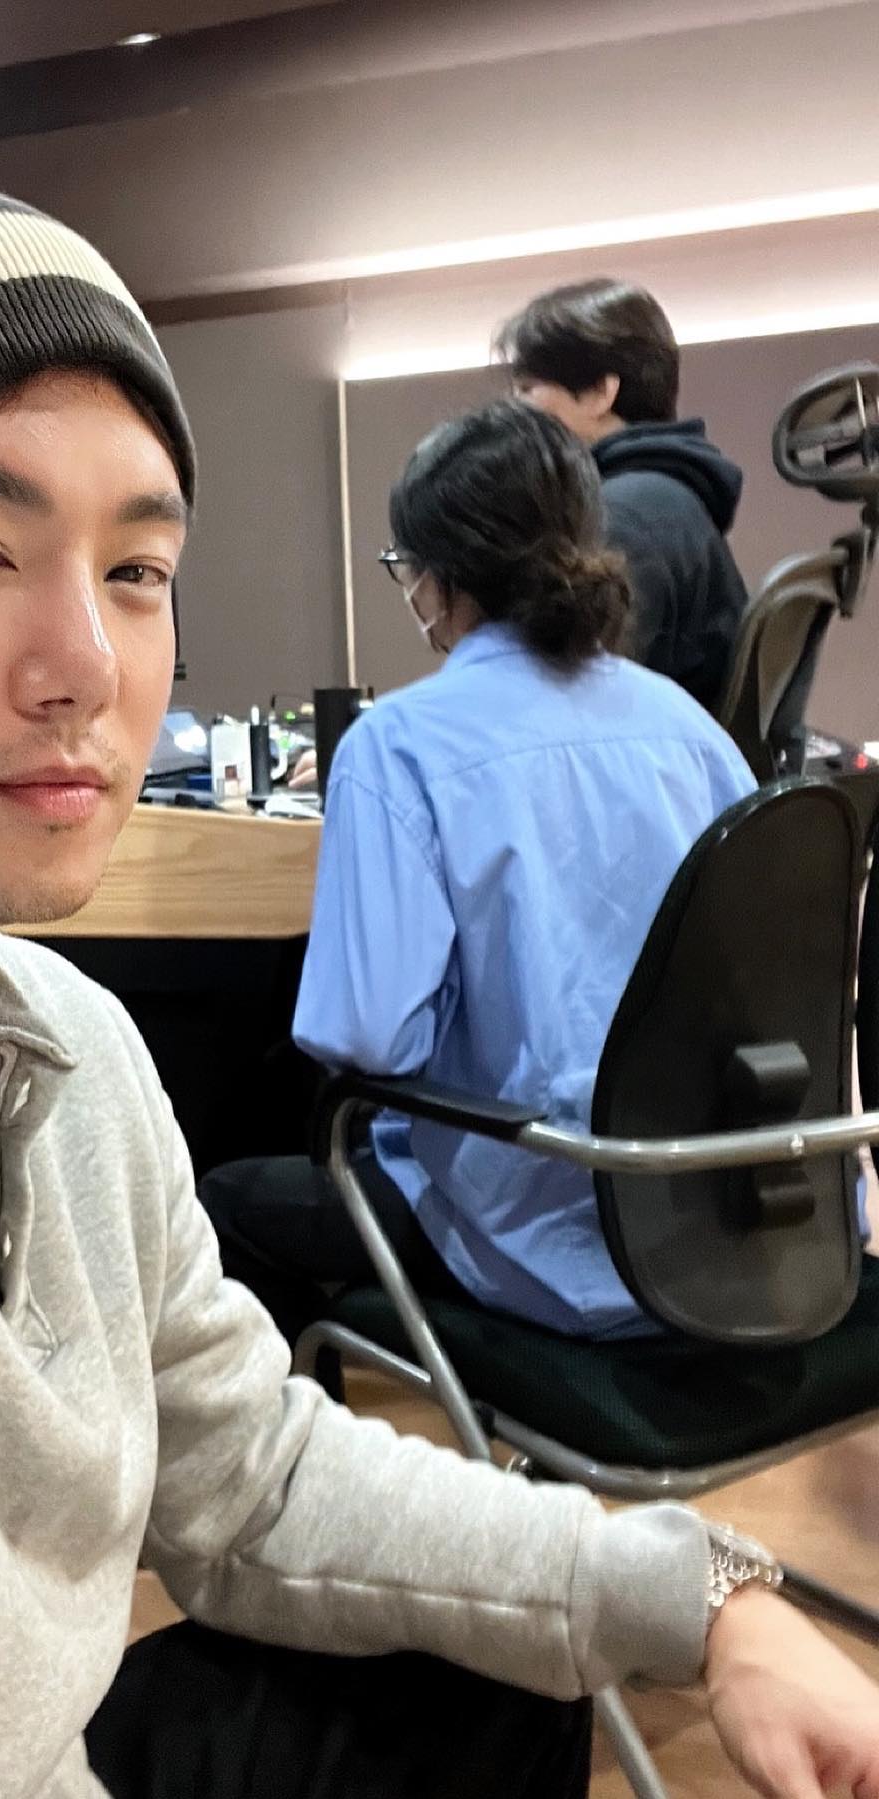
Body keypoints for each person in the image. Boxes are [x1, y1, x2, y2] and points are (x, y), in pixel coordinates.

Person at [0, 184, 875, 1799]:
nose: (88, 667)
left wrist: (706, 1595)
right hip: (759, 1229)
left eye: (136, 568)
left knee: (490, 1680)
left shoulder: (74, 1044)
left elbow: (251, 1468)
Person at [201, 400, 757, 1347]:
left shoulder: (397, 747)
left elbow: (365, 1038)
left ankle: (328, 1441)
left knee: (230, 1193)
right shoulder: (694, 733)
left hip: (541, 1233)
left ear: (440, 576)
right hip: (724, 1229)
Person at [495, 277, 750, 712]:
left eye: (526, 389)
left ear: (600, 392)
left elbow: (573, 707)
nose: (513, 408)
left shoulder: (621, 519)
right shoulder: (666, 497)